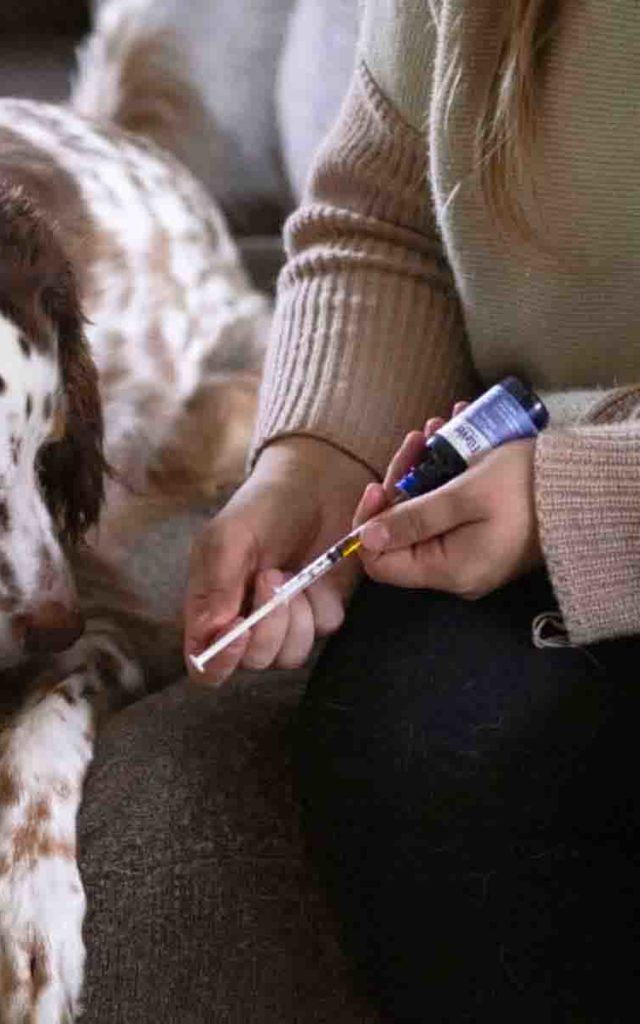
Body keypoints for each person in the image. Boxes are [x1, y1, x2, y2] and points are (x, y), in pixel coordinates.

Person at [183, 1, 640, 1020]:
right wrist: (313, 460)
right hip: (525, 486)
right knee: (413, 741)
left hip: (572, 493)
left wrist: (593, 503)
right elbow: (386, 223)